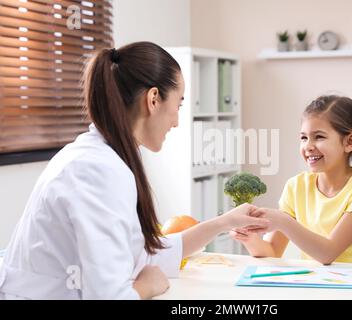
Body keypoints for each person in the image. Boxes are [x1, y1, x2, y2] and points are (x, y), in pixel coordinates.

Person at [0, 42, 268, 300]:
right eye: (179, 105)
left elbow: (144, 256)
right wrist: (146, 287)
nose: (176, 121)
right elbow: (108, 296)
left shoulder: (104, 159)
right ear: (153, 99)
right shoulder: (97, 171)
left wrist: (225, 222)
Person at [231, 95, 352, 265]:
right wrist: (249, 238)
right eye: (304, 138)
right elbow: (272, 252)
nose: (308, 146)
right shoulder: (296, 186)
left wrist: (283, 221)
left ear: (350, 142)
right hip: (313, 282)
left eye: (319, 137)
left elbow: (327, 254)